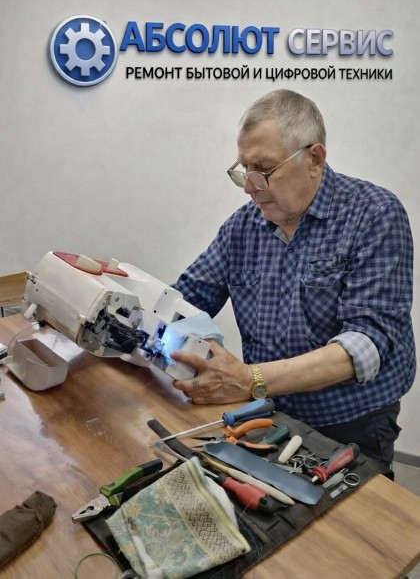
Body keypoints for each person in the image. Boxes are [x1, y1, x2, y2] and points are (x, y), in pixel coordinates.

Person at [170, 89, 416, 474]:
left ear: (314, 159)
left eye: (264, 169)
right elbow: (185, 300)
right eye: (243, 169)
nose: (249, 186)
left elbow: (366, 345)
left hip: (353, 421)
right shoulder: (242, 228)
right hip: (269, 412)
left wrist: (250, 379)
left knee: (348, 511)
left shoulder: (375, 215)